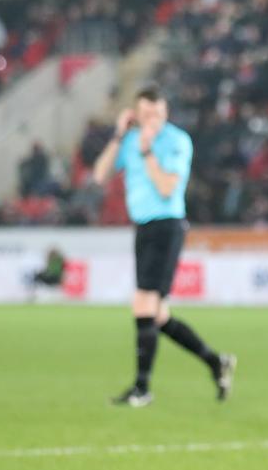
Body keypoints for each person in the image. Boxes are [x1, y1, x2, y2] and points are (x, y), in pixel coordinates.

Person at [92, 85, 236, 407]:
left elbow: (168, 187)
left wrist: (147, 152)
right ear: (135, 114)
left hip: (167, 225)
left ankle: (142, 388)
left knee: (142, 303)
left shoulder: (176, 141)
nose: (151, 120)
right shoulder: (129, 140)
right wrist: (119, 135)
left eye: (156, 114)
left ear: (166, 113)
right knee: (157, 315)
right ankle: (216, 362)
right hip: (143, 227)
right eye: (145, 114)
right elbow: (100, 175)